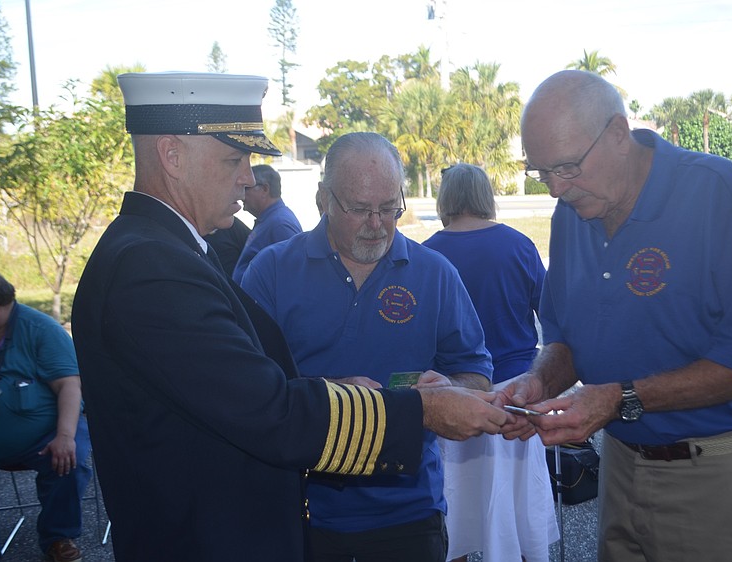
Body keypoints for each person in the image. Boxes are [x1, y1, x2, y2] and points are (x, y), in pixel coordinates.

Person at [70, 72, 511, 562]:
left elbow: (250, 392)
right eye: (234, 159)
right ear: (172, 156)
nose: (247, 178)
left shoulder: (164, 253)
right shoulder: (151, 269)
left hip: (392, 517)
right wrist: (420, 410)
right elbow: (268, 408)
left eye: (390, 208)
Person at [498, 69, 732, 561]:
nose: (555, 189)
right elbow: (566, 339)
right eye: (541, 172)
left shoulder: (712, 192)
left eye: (567, 167)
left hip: (714, 475)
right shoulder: (572, 214)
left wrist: (620, 399)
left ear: (618, 134)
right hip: (620, 466)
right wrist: (538, 383)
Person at [242, 132, 494, 562]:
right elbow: (245, 390)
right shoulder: (272, 272)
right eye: (360, 209)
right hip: (303, 509)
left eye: (389, 208)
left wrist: (450, 388)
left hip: (409, 511)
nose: (377, 224)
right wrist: (332, 396)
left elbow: (477, 376)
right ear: (323, 199)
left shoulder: (435, 273)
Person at [423, 163, 556, 562]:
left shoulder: (427, 252)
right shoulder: (518, 245)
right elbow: (549, 313)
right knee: (520, 506)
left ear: (446, 198)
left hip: (455, 393)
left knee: (455, 500)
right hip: (515, 392)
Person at [0, 270, 91, 562]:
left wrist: (65, 436)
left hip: (41, 437)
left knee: (72, 459)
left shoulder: (41, 331)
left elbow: (70, 385)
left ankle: (58, 537)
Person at [230, 163, 302, 282]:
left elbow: (294, 275)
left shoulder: (280, 224)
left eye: (246, 188)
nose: (241, 194)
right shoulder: (271, 220)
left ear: (264, 189)